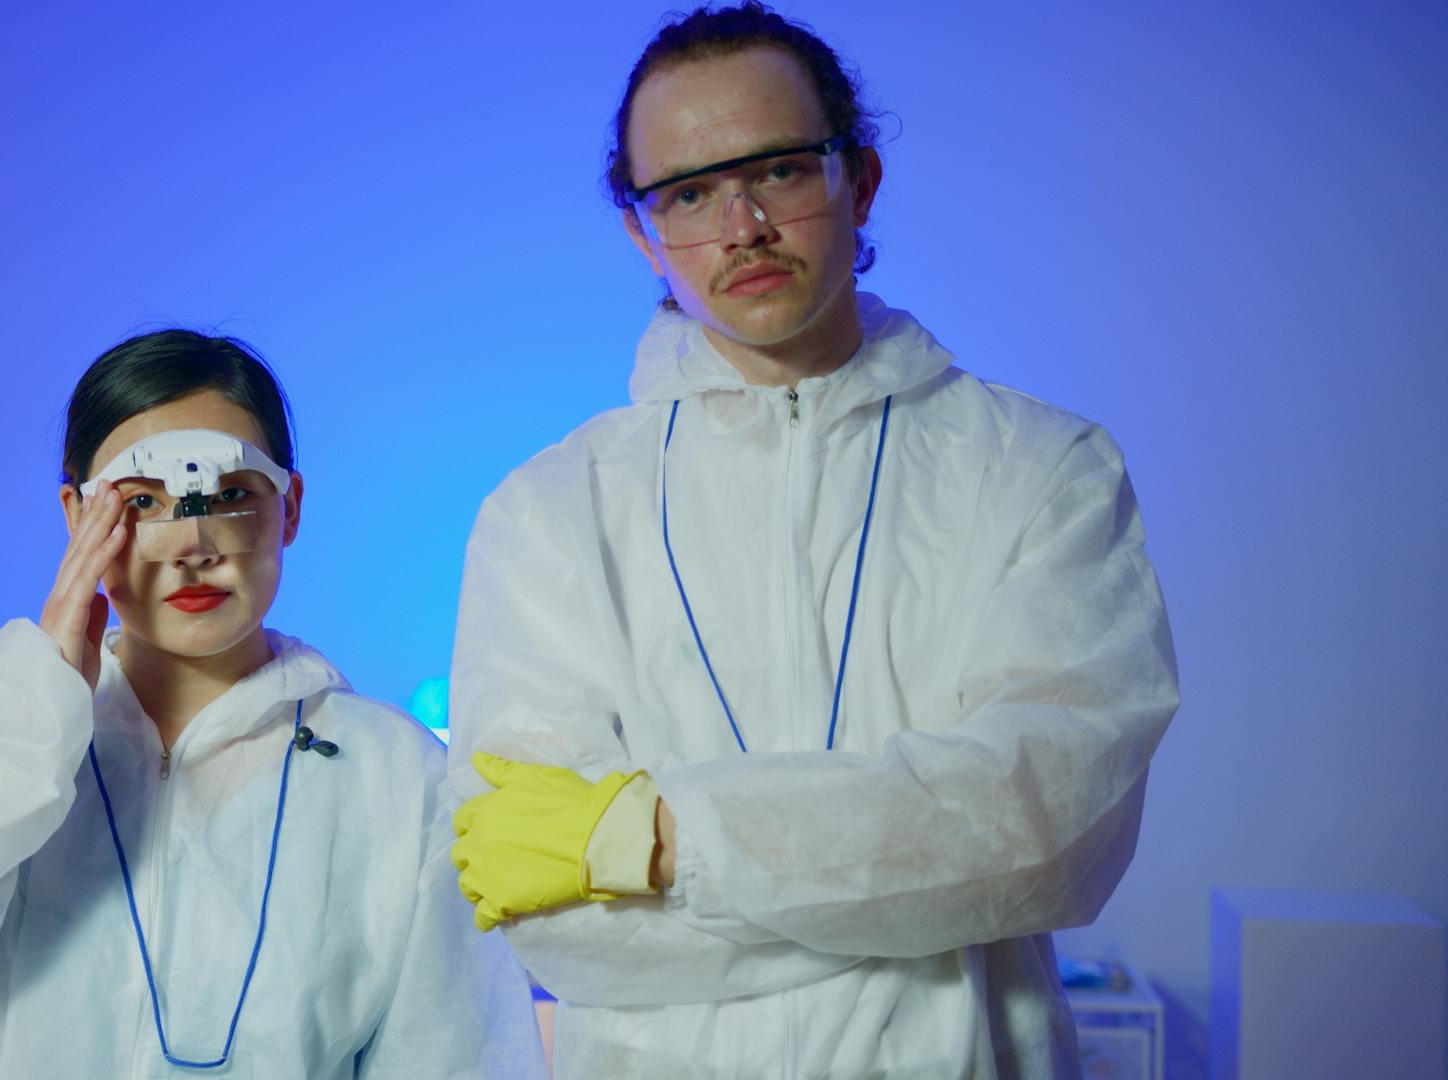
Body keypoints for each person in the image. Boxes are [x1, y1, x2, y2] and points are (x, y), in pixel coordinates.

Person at [445, 4, 1180, 1077]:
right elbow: (555, 922)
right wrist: (921, 889)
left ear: (858, 178)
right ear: (641, 229)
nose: (739, 225)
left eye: (779, 170)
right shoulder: (549, 511)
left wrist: (653, 841)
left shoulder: (1042, 468)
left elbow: (1053, 834)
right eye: (689, 192)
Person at [0, 330, 544, 1077]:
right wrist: (31, 710)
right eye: (142, 503)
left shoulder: (400, 782)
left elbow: (457, 1056)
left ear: (290, 507)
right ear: (76, 517)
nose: (191, 545)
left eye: (230, 493)